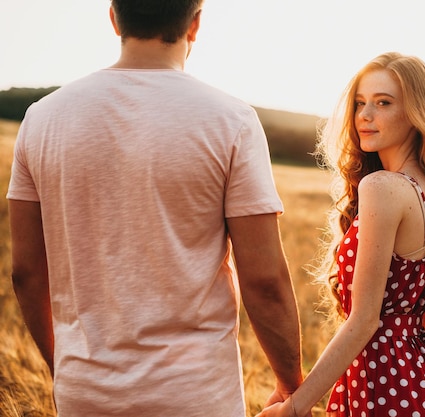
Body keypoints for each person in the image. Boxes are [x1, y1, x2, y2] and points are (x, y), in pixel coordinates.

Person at [7, 1, 305, 415]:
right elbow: (264, 280)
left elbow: (25, 272)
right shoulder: (232, 121)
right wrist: (291, 383)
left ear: (114, 17)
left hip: (84, 394)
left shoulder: (41, 119)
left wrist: (68, 370)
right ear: (195, 23)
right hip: (196, 397)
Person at [256, 52, 425, 417]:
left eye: (383, 103)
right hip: (423, 380)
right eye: (360, 103)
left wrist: (295, 407)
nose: (365, 115)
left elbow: (366, 319)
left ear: (416, 114)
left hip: (388, 383)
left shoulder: (384, 187)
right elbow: (420, 312)